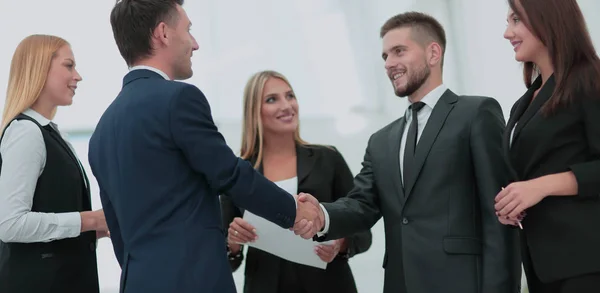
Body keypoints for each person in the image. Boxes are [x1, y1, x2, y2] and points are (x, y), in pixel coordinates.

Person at [88, 1, 321, 293]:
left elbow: (118, 230)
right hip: (194, 280)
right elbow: (228, 174)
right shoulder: (179, 99)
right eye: (188, 30)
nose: (195, 44)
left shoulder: (102, 129)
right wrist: (294, 212)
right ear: (163, 33)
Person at [297, 11, 522, 293]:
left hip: (463, 283)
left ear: (433, 53)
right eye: (385, 57)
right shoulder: (380, 141)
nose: (389, 64)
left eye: (399, 51)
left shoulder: (476, 113)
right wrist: (321, 214)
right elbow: (361, 205)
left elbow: (501, 213)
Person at [220, 70, 372, 293]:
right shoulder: (238, 172)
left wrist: (339, 245)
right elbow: (224, 261)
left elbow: (362, 230)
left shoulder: (328, 158)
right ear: (254, 111)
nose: (286, 105)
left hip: (328, 284)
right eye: (272, 99)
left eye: (290, 96)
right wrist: (233, 243)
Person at [495, 0, 600, 292]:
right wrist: (515, 201)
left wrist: (540, 187)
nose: (507, 33)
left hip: (587, 262)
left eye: (516, 20)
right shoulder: (526, 101)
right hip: (543, 265)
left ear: (547, 19)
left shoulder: (590, 78)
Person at [0, 34, 108, 293]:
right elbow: (9, 224)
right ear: (40, 69)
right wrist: (89, 221)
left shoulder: (52, 134)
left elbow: (52, 211)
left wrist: (96, 229)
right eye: (69, 65)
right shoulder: (27, 132)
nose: (78, 76)